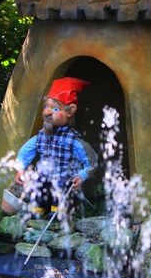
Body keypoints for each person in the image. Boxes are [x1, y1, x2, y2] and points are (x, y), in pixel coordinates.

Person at [13, 77, 97, 221]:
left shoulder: (73, 141)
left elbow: (90, 160)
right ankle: (37, 211)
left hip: (63, 179)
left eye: (55, 109)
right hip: (42, 177)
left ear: (70, 111)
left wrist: (82, 175)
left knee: (60, 194)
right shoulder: (41, 136)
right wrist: (20, 168)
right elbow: (26, 151)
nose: (47, 112)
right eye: (46, 107)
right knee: (38, 191)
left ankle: (58, 214)